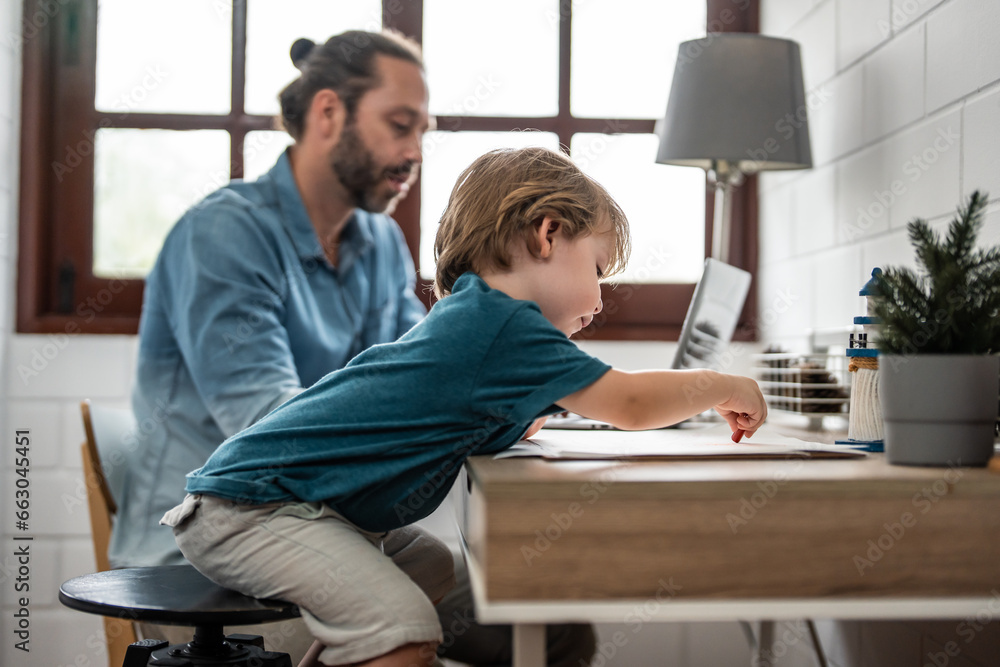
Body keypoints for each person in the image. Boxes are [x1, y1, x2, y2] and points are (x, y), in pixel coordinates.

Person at [161, 146, 769, 667]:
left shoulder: (478, 319)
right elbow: (632, 404)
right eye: (599, 271)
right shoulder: (505, 325)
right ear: (548, 233)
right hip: (254, 506)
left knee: (425, 565)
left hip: (290, 505)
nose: (600, 301)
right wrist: (722, 384)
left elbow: (471, 422)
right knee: (408, 630)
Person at [114, 30, 595, 666]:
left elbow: (425, 376)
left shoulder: (378, 244)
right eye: (399, 126)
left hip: (333, 531)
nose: (413, 153)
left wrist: (520, 397)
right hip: (217, 571)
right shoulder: (225, 235)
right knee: (401, 630)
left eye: (421, 132)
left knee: (555, 625)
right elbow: (276, 427)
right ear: (328, 114)